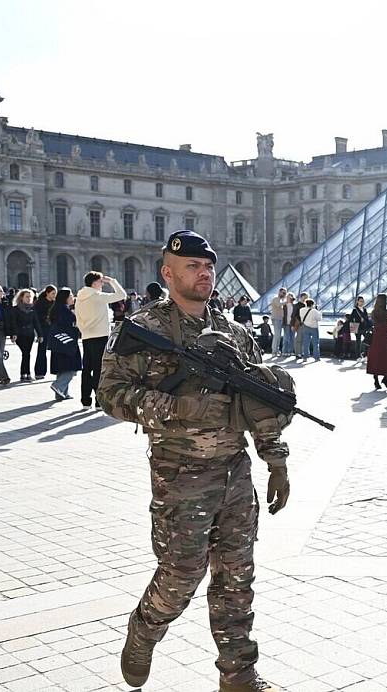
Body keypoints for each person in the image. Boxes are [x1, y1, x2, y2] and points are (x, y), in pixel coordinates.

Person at [98, 229, 289, 692]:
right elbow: (110, 395)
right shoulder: (142, 332)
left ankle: (239, 674)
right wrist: (178, 408)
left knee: (236, 577)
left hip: (234, 473)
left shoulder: (235, 333)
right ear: (168, 273)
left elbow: (257, 401)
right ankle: (144, 631)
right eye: (192, 267)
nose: (203, 274)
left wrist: (275, 458)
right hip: (180, 476)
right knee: (181, 575)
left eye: (208, 267)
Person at [74, 271, 128, 409]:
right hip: (101, 336)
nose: (102, 284)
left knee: (87, 369)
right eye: (100, 282)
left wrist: (83, 330)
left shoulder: (79, 298)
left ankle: (85, 400)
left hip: (86, 336)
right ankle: (99, 401)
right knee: (99, 369)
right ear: (94, 283)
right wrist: (112, 281)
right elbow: (122, 295)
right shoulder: (97, 297)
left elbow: (78, 318)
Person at [48, 288, 80, 400]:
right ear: (65, 298)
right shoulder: (64, 310)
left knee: (62, 367)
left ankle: (61, 393)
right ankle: (58, 386)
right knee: (71, 367)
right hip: (66, 341)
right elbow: (67, 326)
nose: (73, 298)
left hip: (59, 342)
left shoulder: (57, 308)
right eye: (71, 296)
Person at [366, 293, 387, 390]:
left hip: (375, 337)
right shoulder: (386, 313)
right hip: (385, 337)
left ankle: (376, 380)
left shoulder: (374, 312)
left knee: (376, 358)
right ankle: (385, 378)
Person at [8, 289, 38, 382]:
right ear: (21, 298)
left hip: (30, 334)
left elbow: (36, 323)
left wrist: (40, 335)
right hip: (20, 335)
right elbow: (13, 322)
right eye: (27, 297)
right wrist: (13, 334)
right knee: (25, 353)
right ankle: (25, 373)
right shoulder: (15, 309)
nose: (29, 299)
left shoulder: (32, 309)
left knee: (27, 354)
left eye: (30, 297)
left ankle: (25, 374)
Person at [33, 285, 56, 380]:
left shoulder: (55, 303)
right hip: (43, 328)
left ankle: (56, 370)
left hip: (53, 329)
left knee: (56, 350)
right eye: (53, 293)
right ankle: (39, 372)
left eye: (55, 293)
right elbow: (36, 317)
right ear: (47, 293)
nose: (54, 295)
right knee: (42, 350)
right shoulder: (40, 303)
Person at [268, 288, 288, 355]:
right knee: (277, 335)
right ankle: (274, 350)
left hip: (279, 319)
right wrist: (287, 301)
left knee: (278, 335)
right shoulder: (276, 298)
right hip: (276, 319)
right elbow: (279, 305)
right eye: (283, 293)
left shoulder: (281, 300)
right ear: (279, 292)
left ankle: (276, 349)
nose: (284, 294)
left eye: (285, 293)